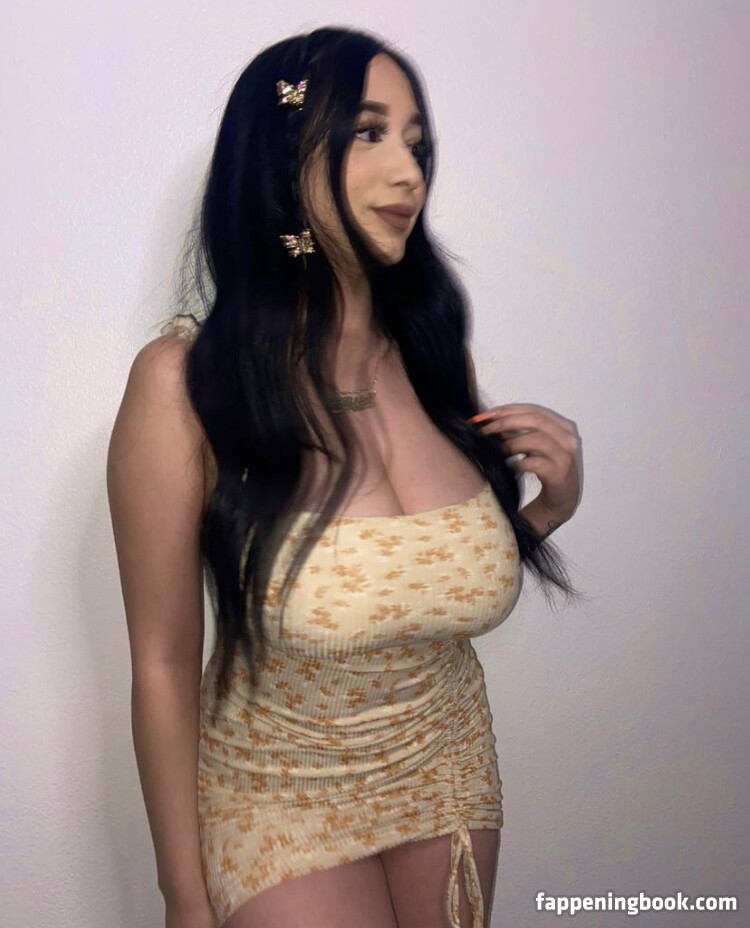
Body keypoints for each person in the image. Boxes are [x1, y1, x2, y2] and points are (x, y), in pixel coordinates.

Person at [107, 26, 584, 928]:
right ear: (282, 153)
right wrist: (184, 898)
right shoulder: (185, 385)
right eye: (368, 132)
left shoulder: (435, 359)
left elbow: (419, 582)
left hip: (445, 766)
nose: (409, 172)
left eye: (416, 142)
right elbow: (163, 662)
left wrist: (546, 512)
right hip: (275, 792)